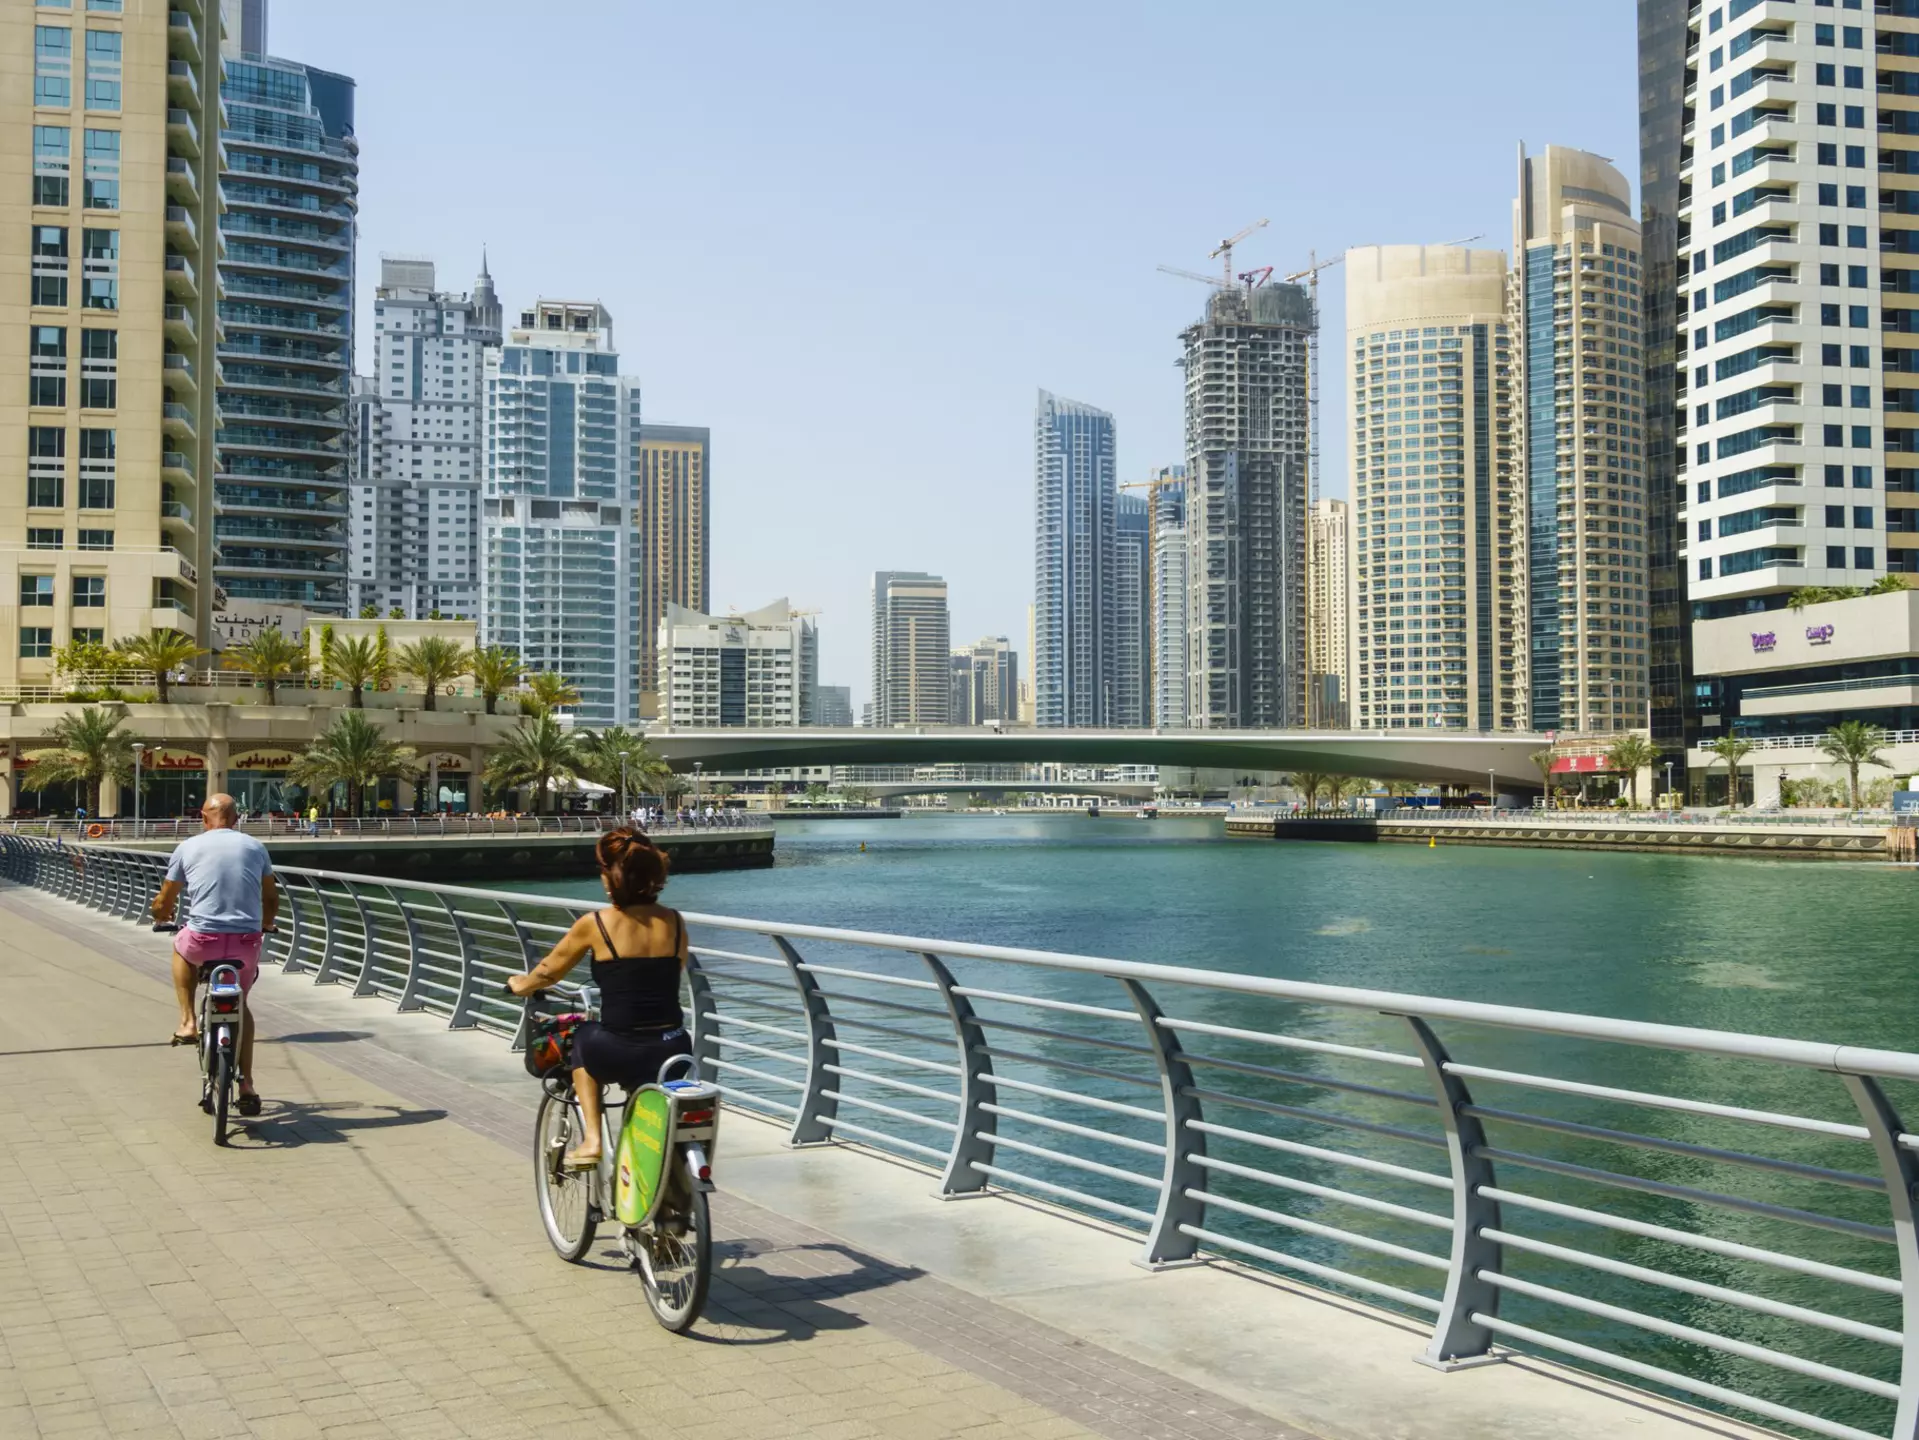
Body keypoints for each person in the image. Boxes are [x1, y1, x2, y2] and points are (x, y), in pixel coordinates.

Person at [506, 827, 689, 1168]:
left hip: (619, 1045)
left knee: (584, 1043)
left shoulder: (596, 924)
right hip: (672, 1045)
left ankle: (592, 1140)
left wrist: (521, 985)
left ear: (611, 877)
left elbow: (549, 972)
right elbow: (672, 972)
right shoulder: (675, 922)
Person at [152, 793, 279, 1115]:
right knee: (242, 1005)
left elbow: (166, 899)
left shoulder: (187, 847)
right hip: (245, 943)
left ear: (203, 817)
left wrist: (160, 914)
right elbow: (270, 897)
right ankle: (247, 1083)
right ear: (236, 819)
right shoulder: (255, 847)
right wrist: (266, 923)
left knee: (181, 950)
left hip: (202, 940)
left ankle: (187, 1021)